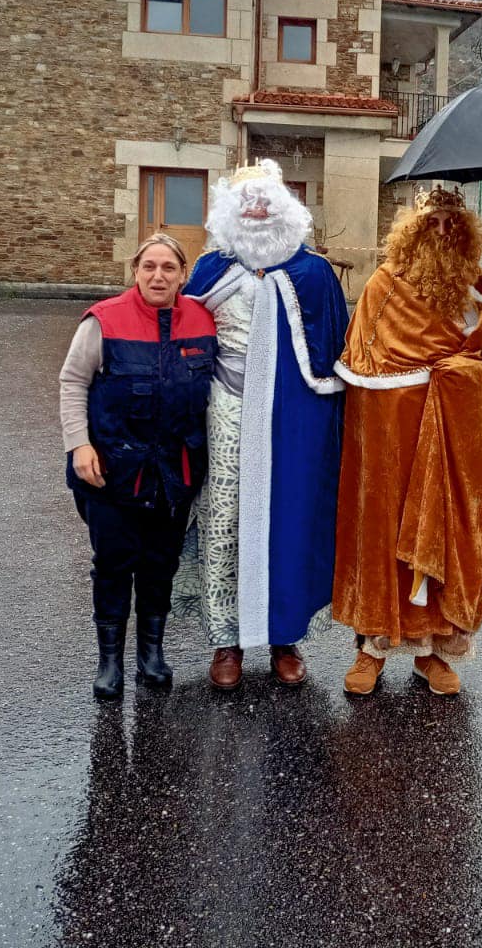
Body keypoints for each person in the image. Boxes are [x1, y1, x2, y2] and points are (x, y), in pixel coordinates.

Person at [333, 186, 482, 697]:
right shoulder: (384, 286)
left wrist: (457, 374)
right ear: (412, 231)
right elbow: (365, 368)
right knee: (389, 533)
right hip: (395, 438)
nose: (442, 230)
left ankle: (433, 650)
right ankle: (373, 646)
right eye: (432, 222)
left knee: (447, 533)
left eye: (452, 222)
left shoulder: (480, 286)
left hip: (458, 439)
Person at [181, 160, 349, 690]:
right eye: (247, 203)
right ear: (232, 213)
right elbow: (178, 339)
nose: (256, 211)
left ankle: (284, 639)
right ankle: (225, 642)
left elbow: (338, 349)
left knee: (287, 520)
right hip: (224, 411)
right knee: (225, 519)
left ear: (286, 211)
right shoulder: (211, 268)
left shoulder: (315, 273)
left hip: (293, 416)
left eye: (266, 202)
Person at [59, 233, 215, 699]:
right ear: (135, 271)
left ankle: (151, 654)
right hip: (112, 469)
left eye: (169, 268)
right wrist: (78, 445)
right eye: (149, 266)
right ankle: (110, 662)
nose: (158, 276)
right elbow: (72, 381)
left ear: (183, 275)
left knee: (159, 564)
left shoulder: (204, 321)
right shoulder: (103, 320)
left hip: (175, 471)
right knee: (112, 563)